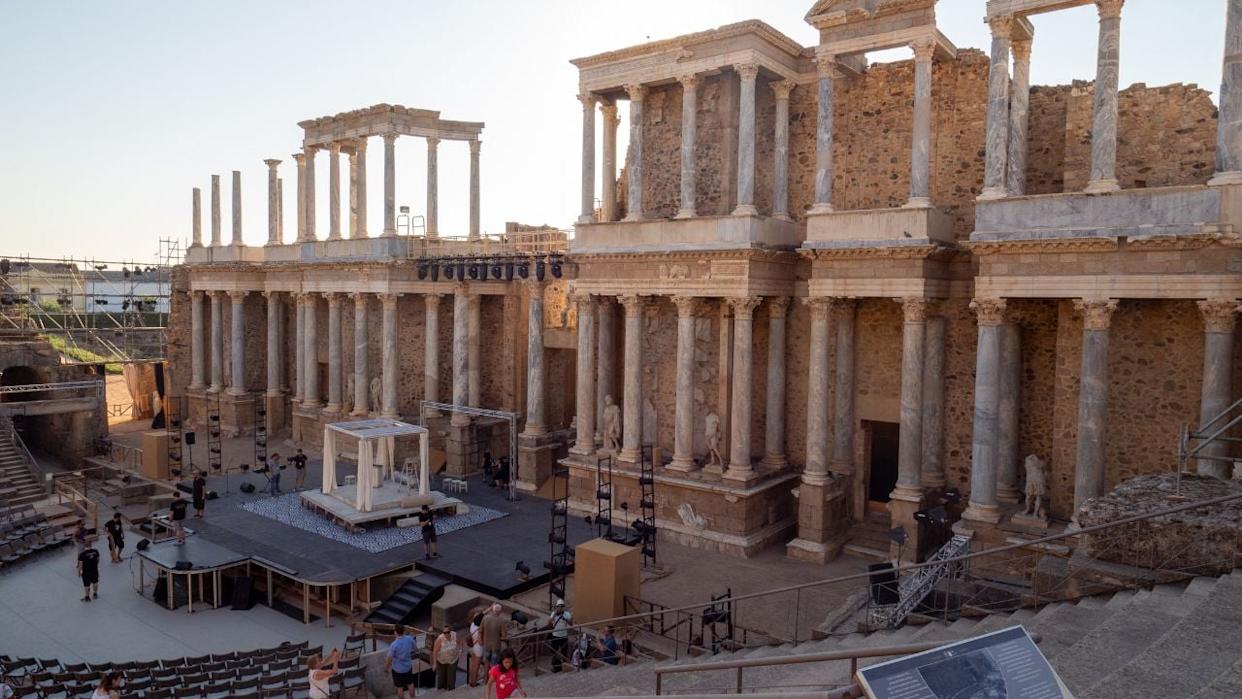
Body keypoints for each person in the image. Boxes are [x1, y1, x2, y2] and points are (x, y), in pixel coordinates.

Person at [385, 626, 417, 699]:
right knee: (410, 684)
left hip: (397, 670)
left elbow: (389, 658)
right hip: (408, 667)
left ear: (395, 632)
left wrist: (386, 669)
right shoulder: (409, 638)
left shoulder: (394, 645)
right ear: (403, 631)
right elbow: (415, 648)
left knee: (399, 688)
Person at [432, 624, 461, 690]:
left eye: (448, 632)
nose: (446, 634)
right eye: (444, 632)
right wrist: (434, 664)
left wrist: (460, 650)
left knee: (451, 677)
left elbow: (460, 642)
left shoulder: (455, 635)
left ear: (450, 631)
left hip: (453, 660)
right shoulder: (439, 639)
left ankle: (451, 690)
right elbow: (435, 651)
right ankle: (442, 690)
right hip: (442, 661)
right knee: (441, 677)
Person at [480, 603, 507, 668]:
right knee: (494, 666)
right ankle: (492, 677)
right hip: (495, 646)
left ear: (492, 610)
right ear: (500, 612)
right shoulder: (501, 621)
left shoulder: (485, 618)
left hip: (486, 645)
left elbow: (480, 630)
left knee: (486, 662)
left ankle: (486, 677)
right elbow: (504, 636)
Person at [468, 611, 486, 687]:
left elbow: (482, 614)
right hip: (479, 649)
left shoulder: (472, 625)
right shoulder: (479, 630)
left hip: (474, 648)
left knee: (473, 665)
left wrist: (490, 608)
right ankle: (474, 683)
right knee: (476, 666)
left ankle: (472, 681)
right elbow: (481, 642)